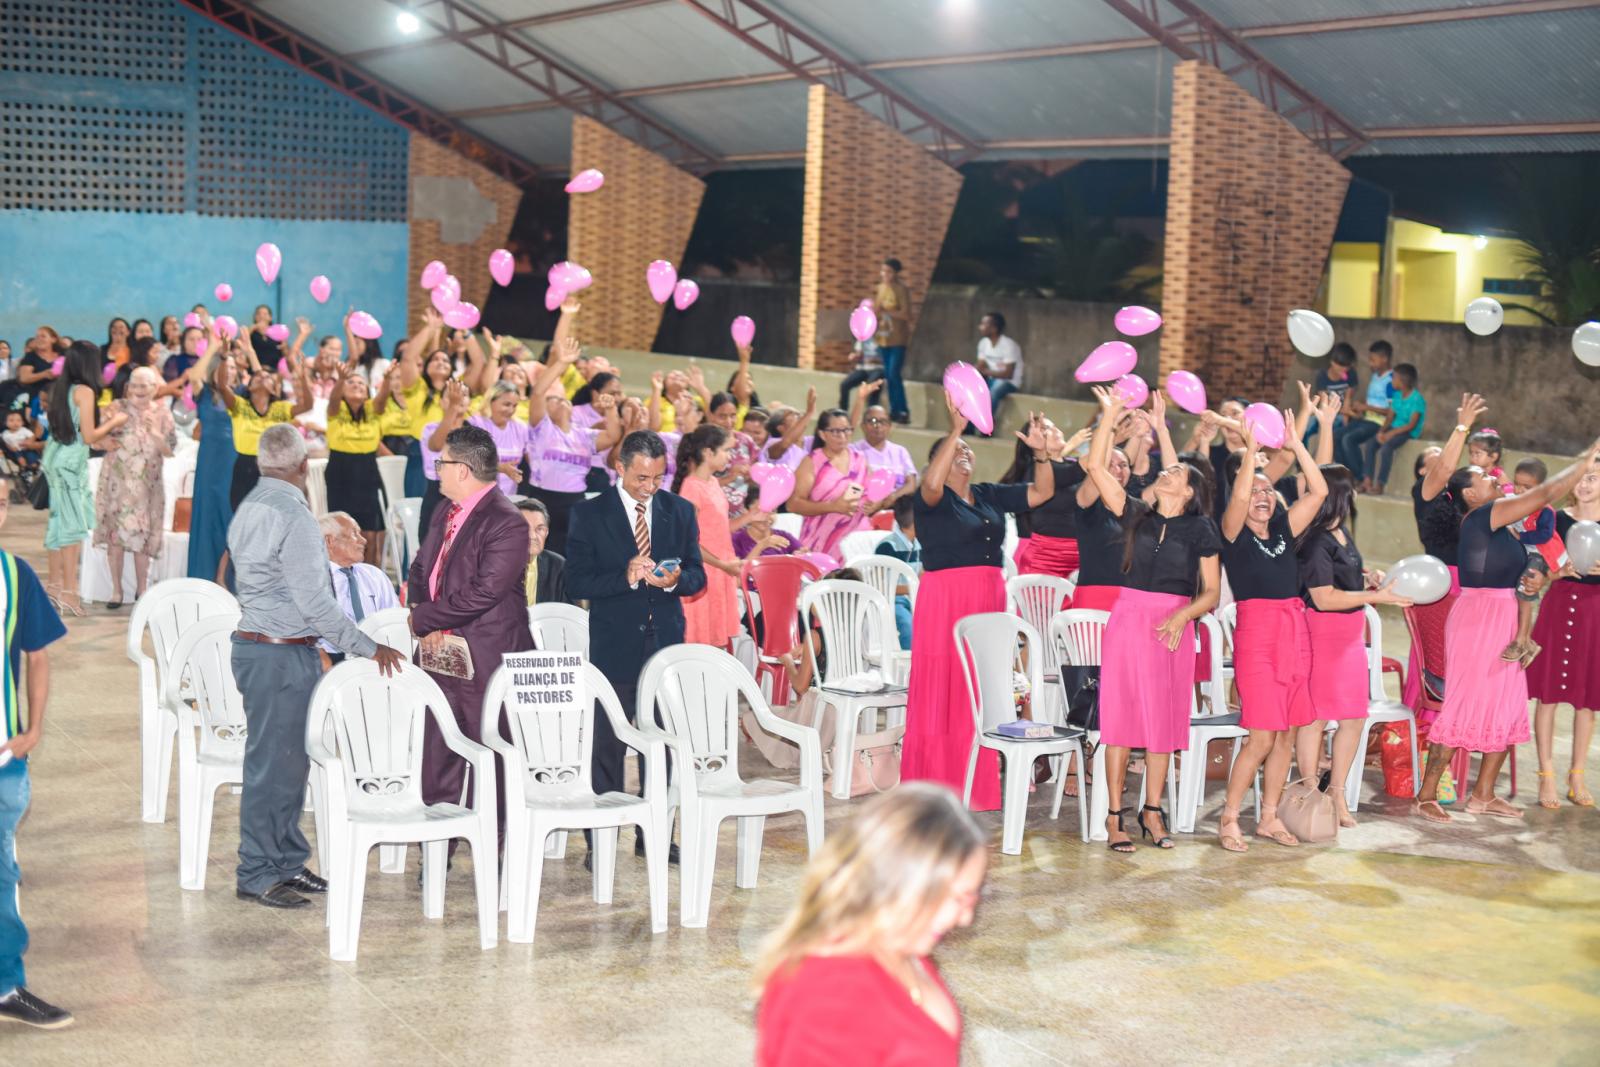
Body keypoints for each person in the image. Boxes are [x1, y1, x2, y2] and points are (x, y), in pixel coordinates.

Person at [228, 425, 405, 908]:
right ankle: (257, 872)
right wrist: (369, 647)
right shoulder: (295, 515)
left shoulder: (250, 506)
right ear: (305, 467)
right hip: (279, 651)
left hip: (264, 646)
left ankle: (285, 862)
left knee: (288, 766)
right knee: (272, 767)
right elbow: (316, 604)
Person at [1416, 437, 1600, 824]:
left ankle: (1483, 795)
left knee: (1506, 704)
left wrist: (1542, 579)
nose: (1494, 476)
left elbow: (1520, 577)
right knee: (1464, 704)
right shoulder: (1484, 516)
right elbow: (1548, 492)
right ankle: (1427, 793)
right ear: (1470, 493)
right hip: (1478, 619)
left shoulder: (1507, 527)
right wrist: (1584, 462)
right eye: (1485, 475)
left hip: (1503, 615)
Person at [754, 783, 984, 1067]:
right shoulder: (833, 991)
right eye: (960, 898)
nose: (966, 919)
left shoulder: (900, 947)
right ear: (904, 882)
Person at [1081, 386, 1220, 852]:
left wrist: (1184, 616)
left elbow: (1212, 592)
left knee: (1162, 722)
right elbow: (1096, 467)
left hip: (1173, 627)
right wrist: (1109, 416)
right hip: (1128, 619)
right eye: (1167, 466)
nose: (1168, 471)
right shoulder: (1135, 513)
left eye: (1177, 470)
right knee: (1119, 720)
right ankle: (1115, 814)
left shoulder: (1200, 528)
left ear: (1190, 490)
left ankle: (1153, 810)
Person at [902, 396, 1054, 811]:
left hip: (988, 596)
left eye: (969, 451)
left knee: (984, 684)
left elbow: (1041, 493)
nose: (965, 454)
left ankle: (979, 780)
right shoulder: (931, 499)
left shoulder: (988, 495)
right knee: (943, 683)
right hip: (946, 598)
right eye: (956, 453)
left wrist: (1041, 454)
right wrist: (954, 430)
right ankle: (934, 780)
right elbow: (932, 485)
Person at [566, 430, 707, 867]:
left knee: (663, 743)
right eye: (641, 477)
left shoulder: (678, 510)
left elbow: (698, 575)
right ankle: (601, 839)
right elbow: (575, 581)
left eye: (657, 478)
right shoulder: (589, 514)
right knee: (606, 744)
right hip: (613, 644)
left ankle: (658, 835)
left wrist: (676, 581)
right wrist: (626, 577)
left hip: (664, 643)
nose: (650, 487)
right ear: (620, 468)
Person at [406, 425, 532, 820]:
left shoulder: (506, 521)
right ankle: (437, 844)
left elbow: (485, 592)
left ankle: (493, 851)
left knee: (490, 753)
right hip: (440, 651)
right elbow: (422, 565)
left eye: (441, 463)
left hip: (486, 656)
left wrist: (425, 618)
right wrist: (420, 612)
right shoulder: (446, 509)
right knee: (437, 750)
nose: (436, 469)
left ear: (462, 469)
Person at [1214, 417, 1328, 850]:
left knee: (1286, 733)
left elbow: (1318, 492)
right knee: (1261, 735)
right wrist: (1249, 454)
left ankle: (1268, 816)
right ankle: (1228, 818)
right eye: (1255, 492)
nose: (1261, 497)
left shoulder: (1283, 530)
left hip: (1294, 633)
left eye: (1269, 491)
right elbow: (1240, 496)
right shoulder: (1232, 534)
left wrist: (1298, 446)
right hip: (1258, 637)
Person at [1295, 464, 1412, 829]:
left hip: (1349, 637)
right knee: (1315, 719)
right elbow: (1325, 598)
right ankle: (1311, 791)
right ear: (1344, 495)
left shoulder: (1342, 533)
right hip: (1324, 633)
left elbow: (1341, 577)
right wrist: (1378, 596)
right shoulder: (1314, 540)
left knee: (1354, 719)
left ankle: (1338, 792)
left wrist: (1367, 578)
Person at [0, 477, 74, 1029]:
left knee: (2, 874)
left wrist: (34, 728)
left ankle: (5, 984)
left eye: (2, 502)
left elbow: (38, 656)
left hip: (3, 755)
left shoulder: (13, 575)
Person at [1528, 459, 1600, 809]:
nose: (1585, 485)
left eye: (1594, 479)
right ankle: (1546, 774)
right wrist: (1559, 572)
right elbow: (1538, 567)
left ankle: (1577, 774)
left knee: (1587, 699)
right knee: (1548, 694)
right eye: (1582, 478)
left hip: (1594, 611)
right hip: (1558, 606)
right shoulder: (1556, 518)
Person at [42, 341, 127, 616]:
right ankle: (70, 592)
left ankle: (54, 585)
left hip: (56, 456)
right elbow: (89, 435)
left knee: (57, 524)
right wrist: (115, 421)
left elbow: (77, 432)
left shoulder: (60, 388)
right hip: (70, 466)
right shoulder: (85, 391)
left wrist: (103, 444)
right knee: (72, 529)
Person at [525, 337, 620, 556]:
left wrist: (611, 410)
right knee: (534, 555)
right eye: (554, 399)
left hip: (573, 503)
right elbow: (538, 391)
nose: (561, 400)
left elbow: (613, 435)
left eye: (564, 399)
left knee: (567, 559)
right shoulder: (542, 429)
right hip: (542, 499)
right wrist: (561, 363)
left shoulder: (584, 435)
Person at [93, 366, 176, 609]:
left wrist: (155, 433)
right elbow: (94, 440)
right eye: (135, 385)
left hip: (146, 487)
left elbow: (169, 451)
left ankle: (143, 590)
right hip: (116, 485)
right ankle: (116, 591)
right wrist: (106, 438)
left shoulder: (162, 412)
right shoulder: (115, 408)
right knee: (115, 538)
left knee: (142, 539)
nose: (139, 390)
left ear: (155, 388)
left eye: (145, 386)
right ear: (128, 387)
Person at [674, 424, 758, 651]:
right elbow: (688, 543)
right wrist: (722, 565)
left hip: (721, 570)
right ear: (708, 453)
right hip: (705, 571)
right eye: (726, 451)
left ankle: (718, 686)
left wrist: (750, 516)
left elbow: (720, 529)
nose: (730, 457)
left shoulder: (711, 482)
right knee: (701, 641)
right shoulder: (691, 488)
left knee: (719, 639)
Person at [219, 347, 312, 510]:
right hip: (245, 465)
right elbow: (222, 386)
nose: (262, 377)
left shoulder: (280, 408)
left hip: (273, 467)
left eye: (268, 376)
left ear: (274, 388)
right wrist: (223, 358)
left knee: (271, 512)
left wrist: (303, 377)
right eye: (257, 376)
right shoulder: (239, 405)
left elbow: (307, 405)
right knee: (243, 514)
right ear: (250, 387)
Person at [791, 408, 881, 566]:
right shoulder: (812, 462)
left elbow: (875, 493)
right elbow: (793, 504)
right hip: (821, 539)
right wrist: (832, 506)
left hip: (856, 540)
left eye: (846, 430)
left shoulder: (860, 459)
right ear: (822, 434)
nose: (842, 436)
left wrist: (874, 504)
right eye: (835, 431)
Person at [324, 363, 386, 567]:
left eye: (361, 383)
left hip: (367, 469)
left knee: (368, 528)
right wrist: (341, 379)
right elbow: (333, 401)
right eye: (351, 382)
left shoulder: (372, 411)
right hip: (340, 470)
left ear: (368, 392)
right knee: (340, 525)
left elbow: (382, 400)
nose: (357, 385)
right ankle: (340, 571)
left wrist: (388, 378)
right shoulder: (336, 409)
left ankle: (368, 573)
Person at [317, 512, 399, 663]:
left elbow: (395, 621)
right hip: (332, 656)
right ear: (329, 541)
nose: (364, 540)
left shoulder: (374, 575)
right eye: (354, 534)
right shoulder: (315, 580)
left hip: (378, 655)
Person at [186, 343, 237, 584]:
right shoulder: (204, 393)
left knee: (230, 514)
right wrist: (214, 347)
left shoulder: (241, 395)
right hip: (209, 461)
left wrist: (248, 352)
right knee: (208, 514)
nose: (232, 371)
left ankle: (226, 577)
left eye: (235, 367)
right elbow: (193, 375)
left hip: (233, 460)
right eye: (228, 366)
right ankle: (205, 576)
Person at [848, 382, 919, 511]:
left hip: (894, 510)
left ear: (889, 426)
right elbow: (849, 486)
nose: (878, 426)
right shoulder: (854, 450)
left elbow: (911, 484)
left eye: (883, 421)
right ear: (863, 425)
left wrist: (892, 497)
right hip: (861, 511)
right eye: (872, 421)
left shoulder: (900, 452)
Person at [1341, 340, 1394, 490]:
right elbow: (1372, 400)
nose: (1370, 363)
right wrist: (1359, 407)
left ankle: (1360, 478)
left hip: (1378, 423)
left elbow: (1391, 411)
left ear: (1384, 359)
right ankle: (1348, 477)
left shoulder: (1392, 381)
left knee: (1348, 439)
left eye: (1373, 360)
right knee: (1337, 436)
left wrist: (1366, 407)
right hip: (1365, 419)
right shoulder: (1375, 377)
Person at [1368, 362, 1425, 495]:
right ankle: (1367, 480)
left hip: (1408, 431)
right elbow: (1390, 417)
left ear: (1403, 381)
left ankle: (1380, 484)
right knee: (1371, 444)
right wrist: (1381, 431)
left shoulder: (1417, 399)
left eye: (1394, 377)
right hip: (1395, 427)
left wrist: (1391, 434)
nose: (1391, 380)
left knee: (1387, 448)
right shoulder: (1397, 395)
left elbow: (1411, 425)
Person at [875, 495, 921, 650]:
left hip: (919, 598)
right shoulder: (888, 547)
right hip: (895, 601)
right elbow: (881, 587)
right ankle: (911, 665)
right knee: (907, 625)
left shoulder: (921, 545)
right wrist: (912, 588)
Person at [872, 258, 914, 424]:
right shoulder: (880, 288)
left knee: (894, 374)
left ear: (896, 273)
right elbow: (877, 310)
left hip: (898, 338)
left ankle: (902, 410)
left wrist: (888, 311)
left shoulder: (901, 289)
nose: (885, 275)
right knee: (888, 376)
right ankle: (893, 410)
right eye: (883, 271)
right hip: (883, 337)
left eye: (888, 272)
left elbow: (906, 314)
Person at [974, 311, 1022, 434]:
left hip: (1009, 382)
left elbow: (1008, 374)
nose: (980, 327)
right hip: (992, 378)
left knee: (993, 392)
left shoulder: (1008, 345)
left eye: (984, 324)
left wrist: (984, 371)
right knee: (974, 391)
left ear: (994, 328)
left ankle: (987, 428)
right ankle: (968, 428)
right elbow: (980, 366)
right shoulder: (983, 343)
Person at [515, 497, 568, 606]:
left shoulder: (558, 566)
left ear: (546, 533)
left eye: (539, 529)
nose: (532, 536)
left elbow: (567, 612)